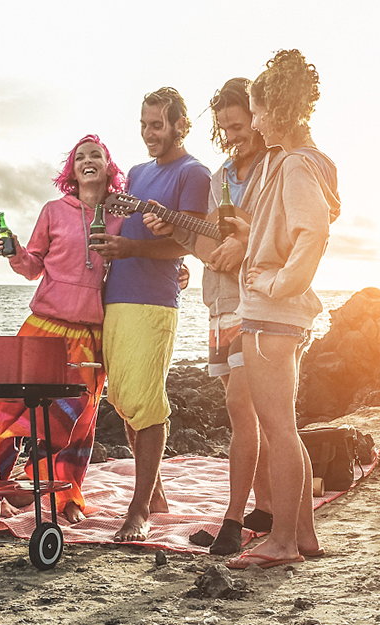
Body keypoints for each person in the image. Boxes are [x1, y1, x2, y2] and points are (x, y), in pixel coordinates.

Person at [0, 135, 128, 528]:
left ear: (109, 168)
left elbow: (139, 263)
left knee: (73, 424)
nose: (88, 161)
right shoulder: (54, 211)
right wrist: (15, 252)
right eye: (80, 157)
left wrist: (177, 271)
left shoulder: (124, 214)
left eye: (96, 156)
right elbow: (32, 267)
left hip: (90, 335)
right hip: (42, 328)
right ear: (71, 171)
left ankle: (65, 498)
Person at [223, 50, 341, 570]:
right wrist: (257, 244)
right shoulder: (308, 161)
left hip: (273, 314)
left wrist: (274, 280)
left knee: (278, 432)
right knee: (285, 427)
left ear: (278, 109)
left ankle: (283, 543)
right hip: (281, 314)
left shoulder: (293, 163)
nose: (256, 122)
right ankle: (306, 537)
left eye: (259, 111)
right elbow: (291, 228)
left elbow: (312, 233)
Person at [145, 77, 272, 555]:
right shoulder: (220, 177)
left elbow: (277, 235)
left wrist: (244, 244)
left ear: (258, 120)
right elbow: (206, 247)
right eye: (225, 129)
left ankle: (234, 521)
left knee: (244, 410)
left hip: (258, 304)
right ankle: (265, 507)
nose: (233, 136)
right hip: (219, 305)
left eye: (239, 126)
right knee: (245, 413)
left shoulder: (273, 171)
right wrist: (173, 230)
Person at [90, 88, 211, 542]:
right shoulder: (137, 173)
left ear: (180, 124)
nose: (148, 133)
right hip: (115, 296)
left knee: (147, 401)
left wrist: (134, 249)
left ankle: (138, 509)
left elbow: (187, 243)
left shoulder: (193, 173)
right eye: (143, 124)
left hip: (154, 301)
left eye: (157, 124)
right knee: (123, 397)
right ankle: (155, 491)